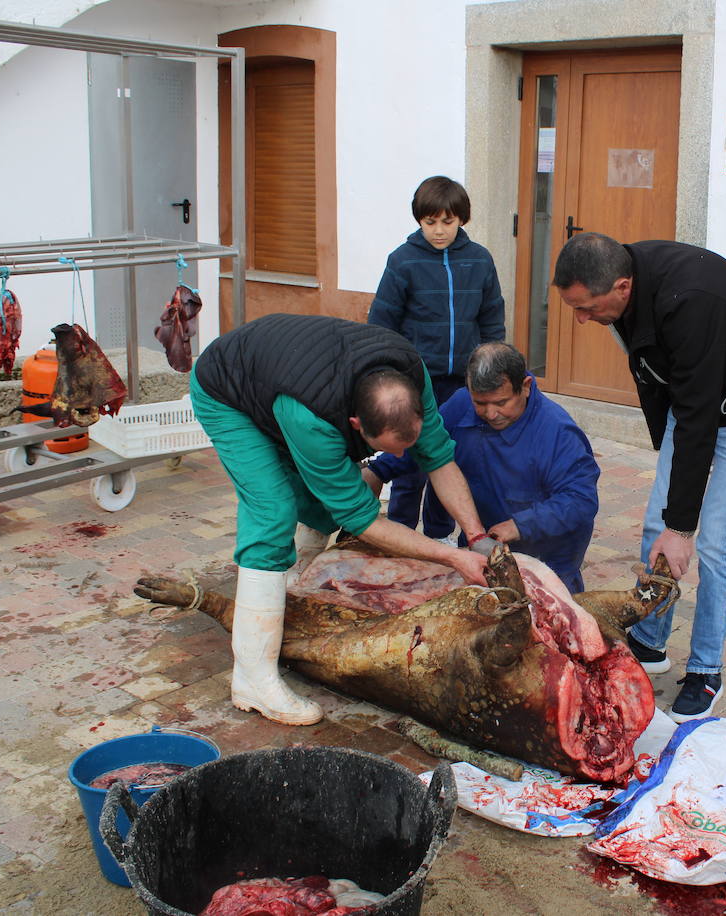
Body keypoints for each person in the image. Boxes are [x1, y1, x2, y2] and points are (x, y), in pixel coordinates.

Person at [191, 313, 491, 727]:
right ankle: (253, 679)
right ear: (355, 425)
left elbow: (439, 458)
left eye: (407, 445)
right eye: (389, 450)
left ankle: (296, 583)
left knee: (322, 499)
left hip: (284, 374)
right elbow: (364, 520)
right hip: (228, 390)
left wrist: (475, 538)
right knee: (273, 509)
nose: (401, 460)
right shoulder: (313, 419)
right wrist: (451, 557)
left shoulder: (410, 377)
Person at [553, 233, 726, 722]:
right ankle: (651, 641)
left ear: (621, 287)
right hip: (696, 394)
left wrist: (683, 528)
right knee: (653, 529)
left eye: (586, 307)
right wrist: (669, 499)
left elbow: (701, 421)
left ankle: (706, 670)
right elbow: (661, 387)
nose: (580, 319)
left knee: (716, 541)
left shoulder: (690, 303)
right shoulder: (626, 284)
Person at [366, 342, 600, 593]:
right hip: (482, 543)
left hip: (548, 555)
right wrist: (380, 470)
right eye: (480, 402)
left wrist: (520, 525)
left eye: (501, 402)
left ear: (525, 387)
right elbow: (425, 445)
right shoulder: (461, 404)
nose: (490, 413)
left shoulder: (558, 432)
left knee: (554, 618)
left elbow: (580, 500)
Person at [367, 176, 506, 537]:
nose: (439, 230)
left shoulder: (479, 260)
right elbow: (382, 324)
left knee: (449, 458)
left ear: (462, 219)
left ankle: (440, 534)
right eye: (430, 222)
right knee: (409, 459)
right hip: (415, 381)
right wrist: (390, 375)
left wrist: (489, 370)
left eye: (448, 221)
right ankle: (400, 530)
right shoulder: (403, 261)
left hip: (462, 383)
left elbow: (491, 318)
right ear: (419, 220)